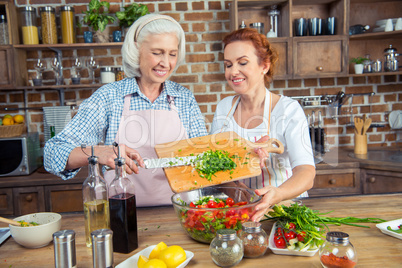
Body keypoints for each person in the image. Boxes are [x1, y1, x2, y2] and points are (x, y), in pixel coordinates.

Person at [44, 14, 207, 206]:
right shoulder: (109, 97)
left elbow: (203, 158)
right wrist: (98, 152)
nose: (166, 62)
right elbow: (52, 153)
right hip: (122, 212)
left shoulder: (184, 98)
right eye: (157, 52)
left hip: (181, 213)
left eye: (172, 53)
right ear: (136, 50)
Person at [210, 28, 316, 221]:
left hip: (285, 212)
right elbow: (216, 169)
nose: (233, 72)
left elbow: (306, 173)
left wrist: (278, 194)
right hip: (242, 212)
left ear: (264, 65)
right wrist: (237, 191)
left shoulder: (287, 110)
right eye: (228, 65)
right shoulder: (224, 108)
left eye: (243, 63)